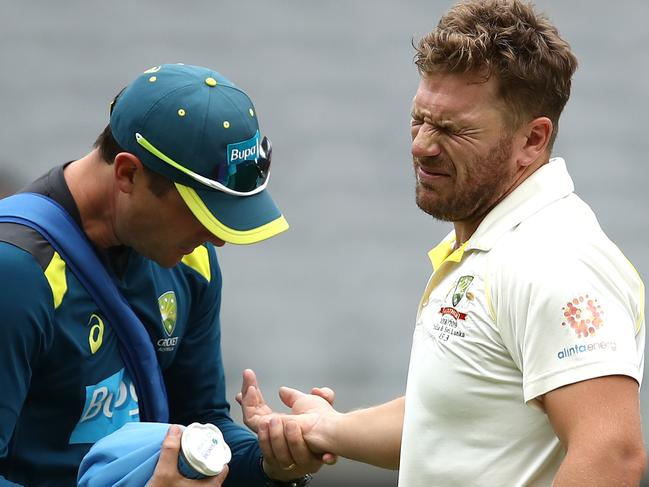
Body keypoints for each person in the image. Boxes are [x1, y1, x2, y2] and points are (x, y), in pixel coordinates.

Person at [237, 1, 647, 485]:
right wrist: (329, 429)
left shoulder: (553, 258)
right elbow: (459, 417)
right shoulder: (495, 244)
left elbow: (612, 455)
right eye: (420, 119)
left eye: (453, 129)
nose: (421, 145)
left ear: (532, 140)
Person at [0, 64, 325, 486]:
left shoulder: (193, 262)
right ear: (128, 173)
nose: (217, 239)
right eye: (200, 210)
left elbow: (199, 422)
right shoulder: (18, 273)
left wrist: (273, 463)